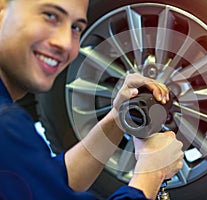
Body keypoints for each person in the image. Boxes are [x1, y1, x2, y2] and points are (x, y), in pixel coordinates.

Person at [0, 0, 184, 199]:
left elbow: (43, 185)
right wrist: (150, 175)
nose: (65, 43)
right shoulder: (6, 125)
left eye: (76, 27)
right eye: (50, 16)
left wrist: (118, 118)